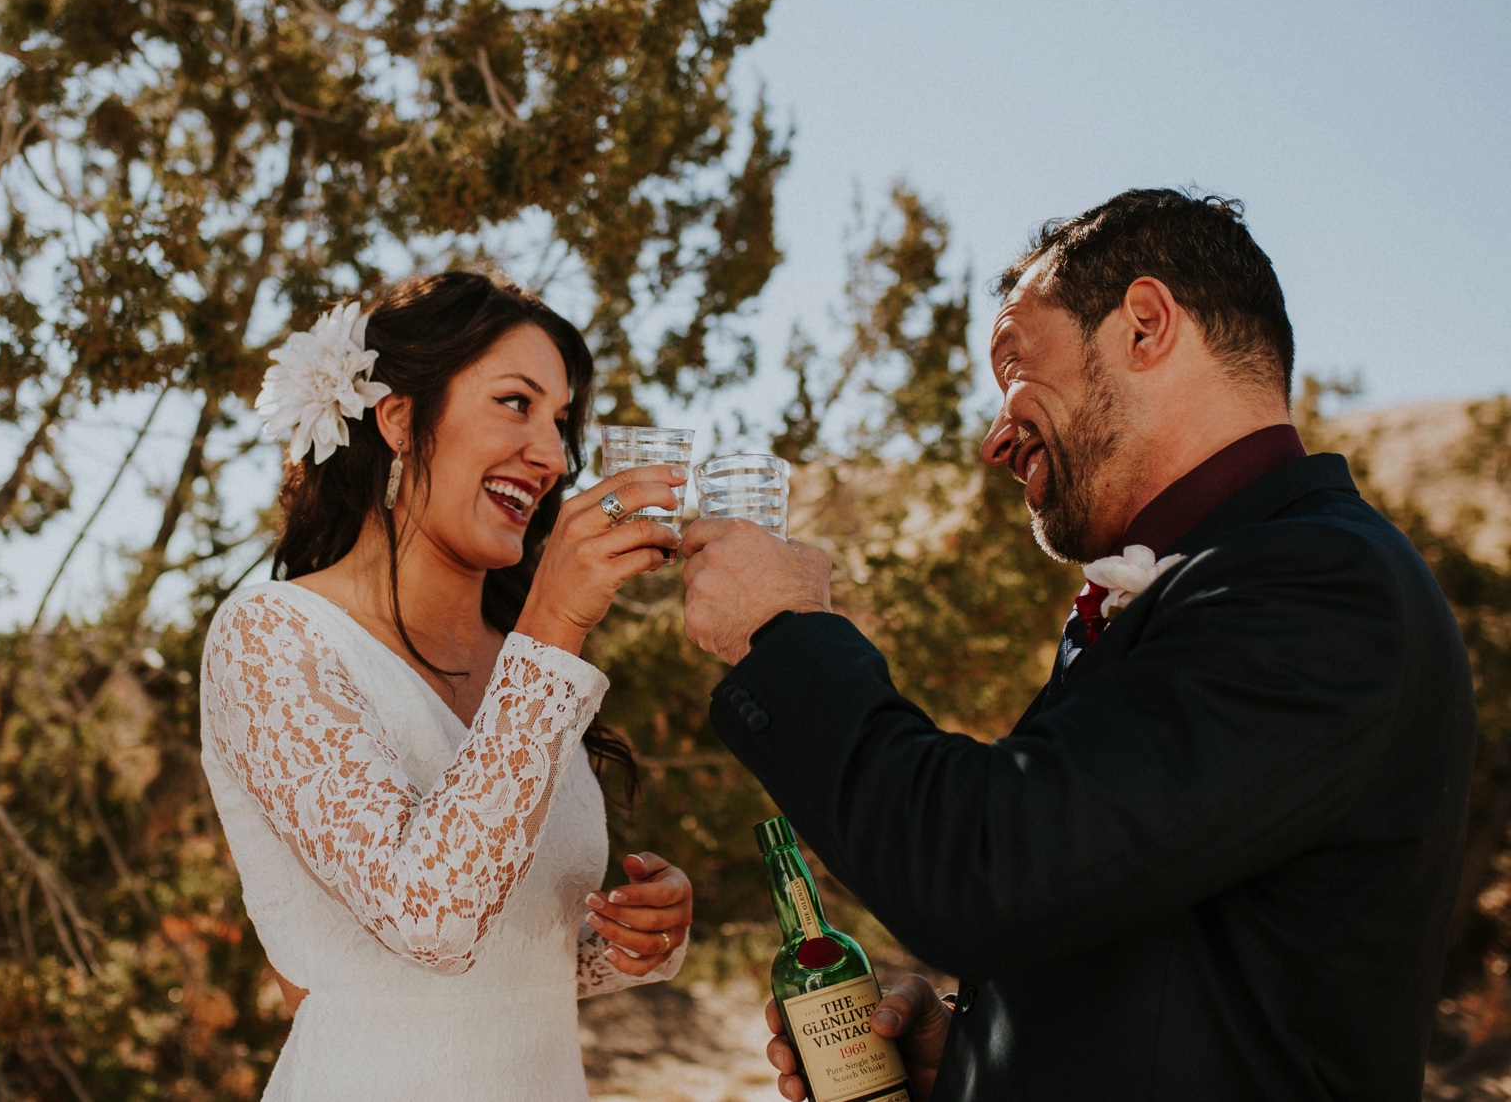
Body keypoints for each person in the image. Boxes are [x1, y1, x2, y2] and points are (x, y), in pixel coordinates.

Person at [680, 191, 1475, 1100]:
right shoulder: (1245, 578)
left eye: (1015, 362)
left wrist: (786, 633)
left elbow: (985, 871)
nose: (994, 437)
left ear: (1145, 324)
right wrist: (976, 1060)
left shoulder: (1321, 583)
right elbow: (1113, 899)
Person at [200, 272, 695, 1101]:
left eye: (561, 422)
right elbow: (431, 920)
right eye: (516, 402)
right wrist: (553, 627)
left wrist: (630, 940)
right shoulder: (272, 637)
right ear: (399, 419)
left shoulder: (526, 663)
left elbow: (504, 961)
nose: (553, 455)